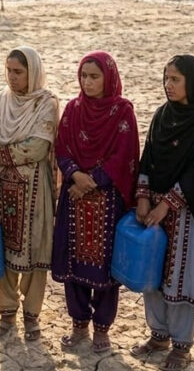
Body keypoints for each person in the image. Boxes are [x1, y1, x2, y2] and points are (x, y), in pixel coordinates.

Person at [131, 55, 194, 371]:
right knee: (153, 274)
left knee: (181, 279)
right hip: (153, 211)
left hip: (187, 213)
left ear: (193, 81)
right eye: (166, 78)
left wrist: (166, 205)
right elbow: (147, 159)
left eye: (175, 79)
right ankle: (158, 335)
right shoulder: (163, 115)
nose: (168, 85)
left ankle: (181, 346)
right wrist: (144, 198)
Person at [50, 51, 140, 353]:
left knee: (105, 266)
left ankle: (103, 327)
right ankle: (79, 324)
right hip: (74, 196)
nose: (87, 82)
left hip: (107, 200)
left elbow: (125, 155)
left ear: (108, 77)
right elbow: (62, 148)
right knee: (73, 264)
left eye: (94, 76)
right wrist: (75, 175)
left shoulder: (122, 111)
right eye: (83, 76)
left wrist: (93, 181)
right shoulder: (74, 109)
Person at [0, 47, 59, 342]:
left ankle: (32, 315)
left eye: (19, 71)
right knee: (1, 249)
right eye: (9, 71)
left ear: (33, 72)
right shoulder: (1, 102)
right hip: (2, 187)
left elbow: (38, 148)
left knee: (34, 250)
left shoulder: (46, 103)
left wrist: (1, 153)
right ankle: (6, 312)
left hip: (34, 189)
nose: (12, 77)